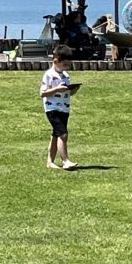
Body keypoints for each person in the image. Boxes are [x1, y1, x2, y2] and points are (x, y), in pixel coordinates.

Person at [39, 42, 77, 170]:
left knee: (56, 135)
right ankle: (65, 160)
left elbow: (66, 92)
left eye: (68, 65)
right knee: (63, 135)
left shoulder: (66, 75)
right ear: (55, 61)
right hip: (52, 109)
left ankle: (50, 162)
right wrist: (56, 89)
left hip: (64, 108)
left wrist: (72, 90)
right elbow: (43, 93)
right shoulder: (49, 75)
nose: (66, 67)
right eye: (64, 64)